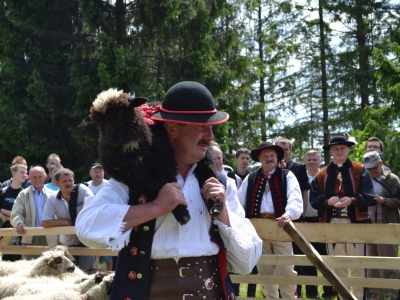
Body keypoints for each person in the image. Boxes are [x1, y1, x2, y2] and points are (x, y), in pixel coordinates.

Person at [76, 81, 262, 300]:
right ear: (172, 129)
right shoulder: (132, 180)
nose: (210, 136)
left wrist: (222, 213)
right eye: (200, 126)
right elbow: (86, 227)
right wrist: (155, 207)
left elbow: (246, 262)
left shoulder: (221, 184)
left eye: (211, 127)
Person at [310, 136, 375, 300]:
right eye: (336, 149)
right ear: (331, 151)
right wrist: (327, 201)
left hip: (356, 224)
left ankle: (358, 298)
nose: (339, 151)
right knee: (337, 265)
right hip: (332, 224)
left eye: (342, 148)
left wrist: (352, 200)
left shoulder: (360, 170)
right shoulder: (322, 174)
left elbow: (369, 196)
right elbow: (314, 200)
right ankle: (342, 297)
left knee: (358, 266)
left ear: (348, 149)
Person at [237, 141, 303, 299]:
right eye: (265, 156)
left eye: (272, 156)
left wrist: (289, 214)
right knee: (265, 269)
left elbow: (295, 197)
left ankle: (289, 298)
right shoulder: (250, 178)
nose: (269, 159)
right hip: (258, 230)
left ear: (277, 157)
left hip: (282, 227)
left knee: (286, 268)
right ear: (259, 158)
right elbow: (238, 203)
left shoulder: (287, 175)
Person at [275, 137, 311, 298]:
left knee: (299, 255)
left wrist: (302, 212)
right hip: (275, 220)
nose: (283, 152)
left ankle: (303, 291)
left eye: (285, 148)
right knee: (278, 259)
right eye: (279, 149)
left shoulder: (299, 167)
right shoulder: (269, 167)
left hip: (295, 218)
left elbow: (304, 191)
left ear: (290, 150)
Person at [362, 151, 400, 300]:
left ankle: (392, 295)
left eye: (374, 168)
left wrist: (384, 200)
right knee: (372, 264)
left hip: (387, 224)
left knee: (389, 262)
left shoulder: (392, 179)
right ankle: (375, 296)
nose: (371, 171)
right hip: (368, 225)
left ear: (381, 163)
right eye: (368, 169)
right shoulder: (363, 179)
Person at [42, 168, 95, 270]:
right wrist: (65, 222)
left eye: (70, 180)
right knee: (69, 275)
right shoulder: (52, 198)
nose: (68, 183)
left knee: (86, 273)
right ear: (57, 183)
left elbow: (94, 209)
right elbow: (45, 222)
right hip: (67, 244)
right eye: (64, 181)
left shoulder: (82, 190)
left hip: (86, 242)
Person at [303, 150, 337, 299]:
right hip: (305, 222)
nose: (311, 162)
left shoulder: (325, 176)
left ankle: (329, 291)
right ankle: (311, 292)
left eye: (314, 159)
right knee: (308, 258)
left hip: (322, 221)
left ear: (320, 161)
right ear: (305, 161)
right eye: (309, 159)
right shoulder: (300, 177)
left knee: (325, 257)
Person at [10, 166, 58, 260]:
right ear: (29, 178)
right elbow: (15, 214)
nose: (37, 179)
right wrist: (19, 223)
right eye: (34, 177)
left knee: (52, 270)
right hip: (30, 237)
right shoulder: (23, 195)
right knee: (28, 270)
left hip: (50, 237)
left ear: (45, 177)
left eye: (40, 176)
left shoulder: (54, 194)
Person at [86, 163, 112, 271]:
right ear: (90, 173)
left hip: (107, 223)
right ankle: (95, 275)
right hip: (92, 223)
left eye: (100, 171)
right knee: (94, 254)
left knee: (109, 257)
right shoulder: (85, 186)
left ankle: (109, 278)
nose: (98, 174)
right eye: (96, 171)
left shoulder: (109, 185)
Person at [0, 163, 27, 261]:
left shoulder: (25, 193)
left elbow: (25, 215)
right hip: (3, 231)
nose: (25, 175)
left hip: (19, 231)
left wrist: (4, 212)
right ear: (14, 174)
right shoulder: (3, 191)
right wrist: (14, 216)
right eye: (22, 172)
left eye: (26, 172)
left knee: (16, 260)